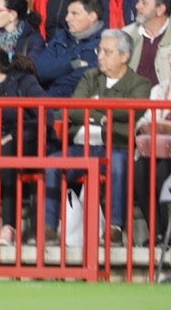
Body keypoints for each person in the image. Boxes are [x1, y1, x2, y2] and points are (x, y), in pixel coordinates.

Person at [43, 28, 151, 243]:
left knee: (119, 165)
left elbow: (131, 113)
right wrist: (107, 116)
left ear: (124, 56)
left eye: (107, 52)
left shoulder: (140, 83)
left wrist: (94, 112)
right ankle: (49, 226)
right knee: (52, 164)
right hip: (80, 147)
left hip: (116, 146)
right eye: (99, 50)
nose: (99, 56)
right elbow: (74, 109)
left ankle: (115, 226)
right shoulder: (90, 76)